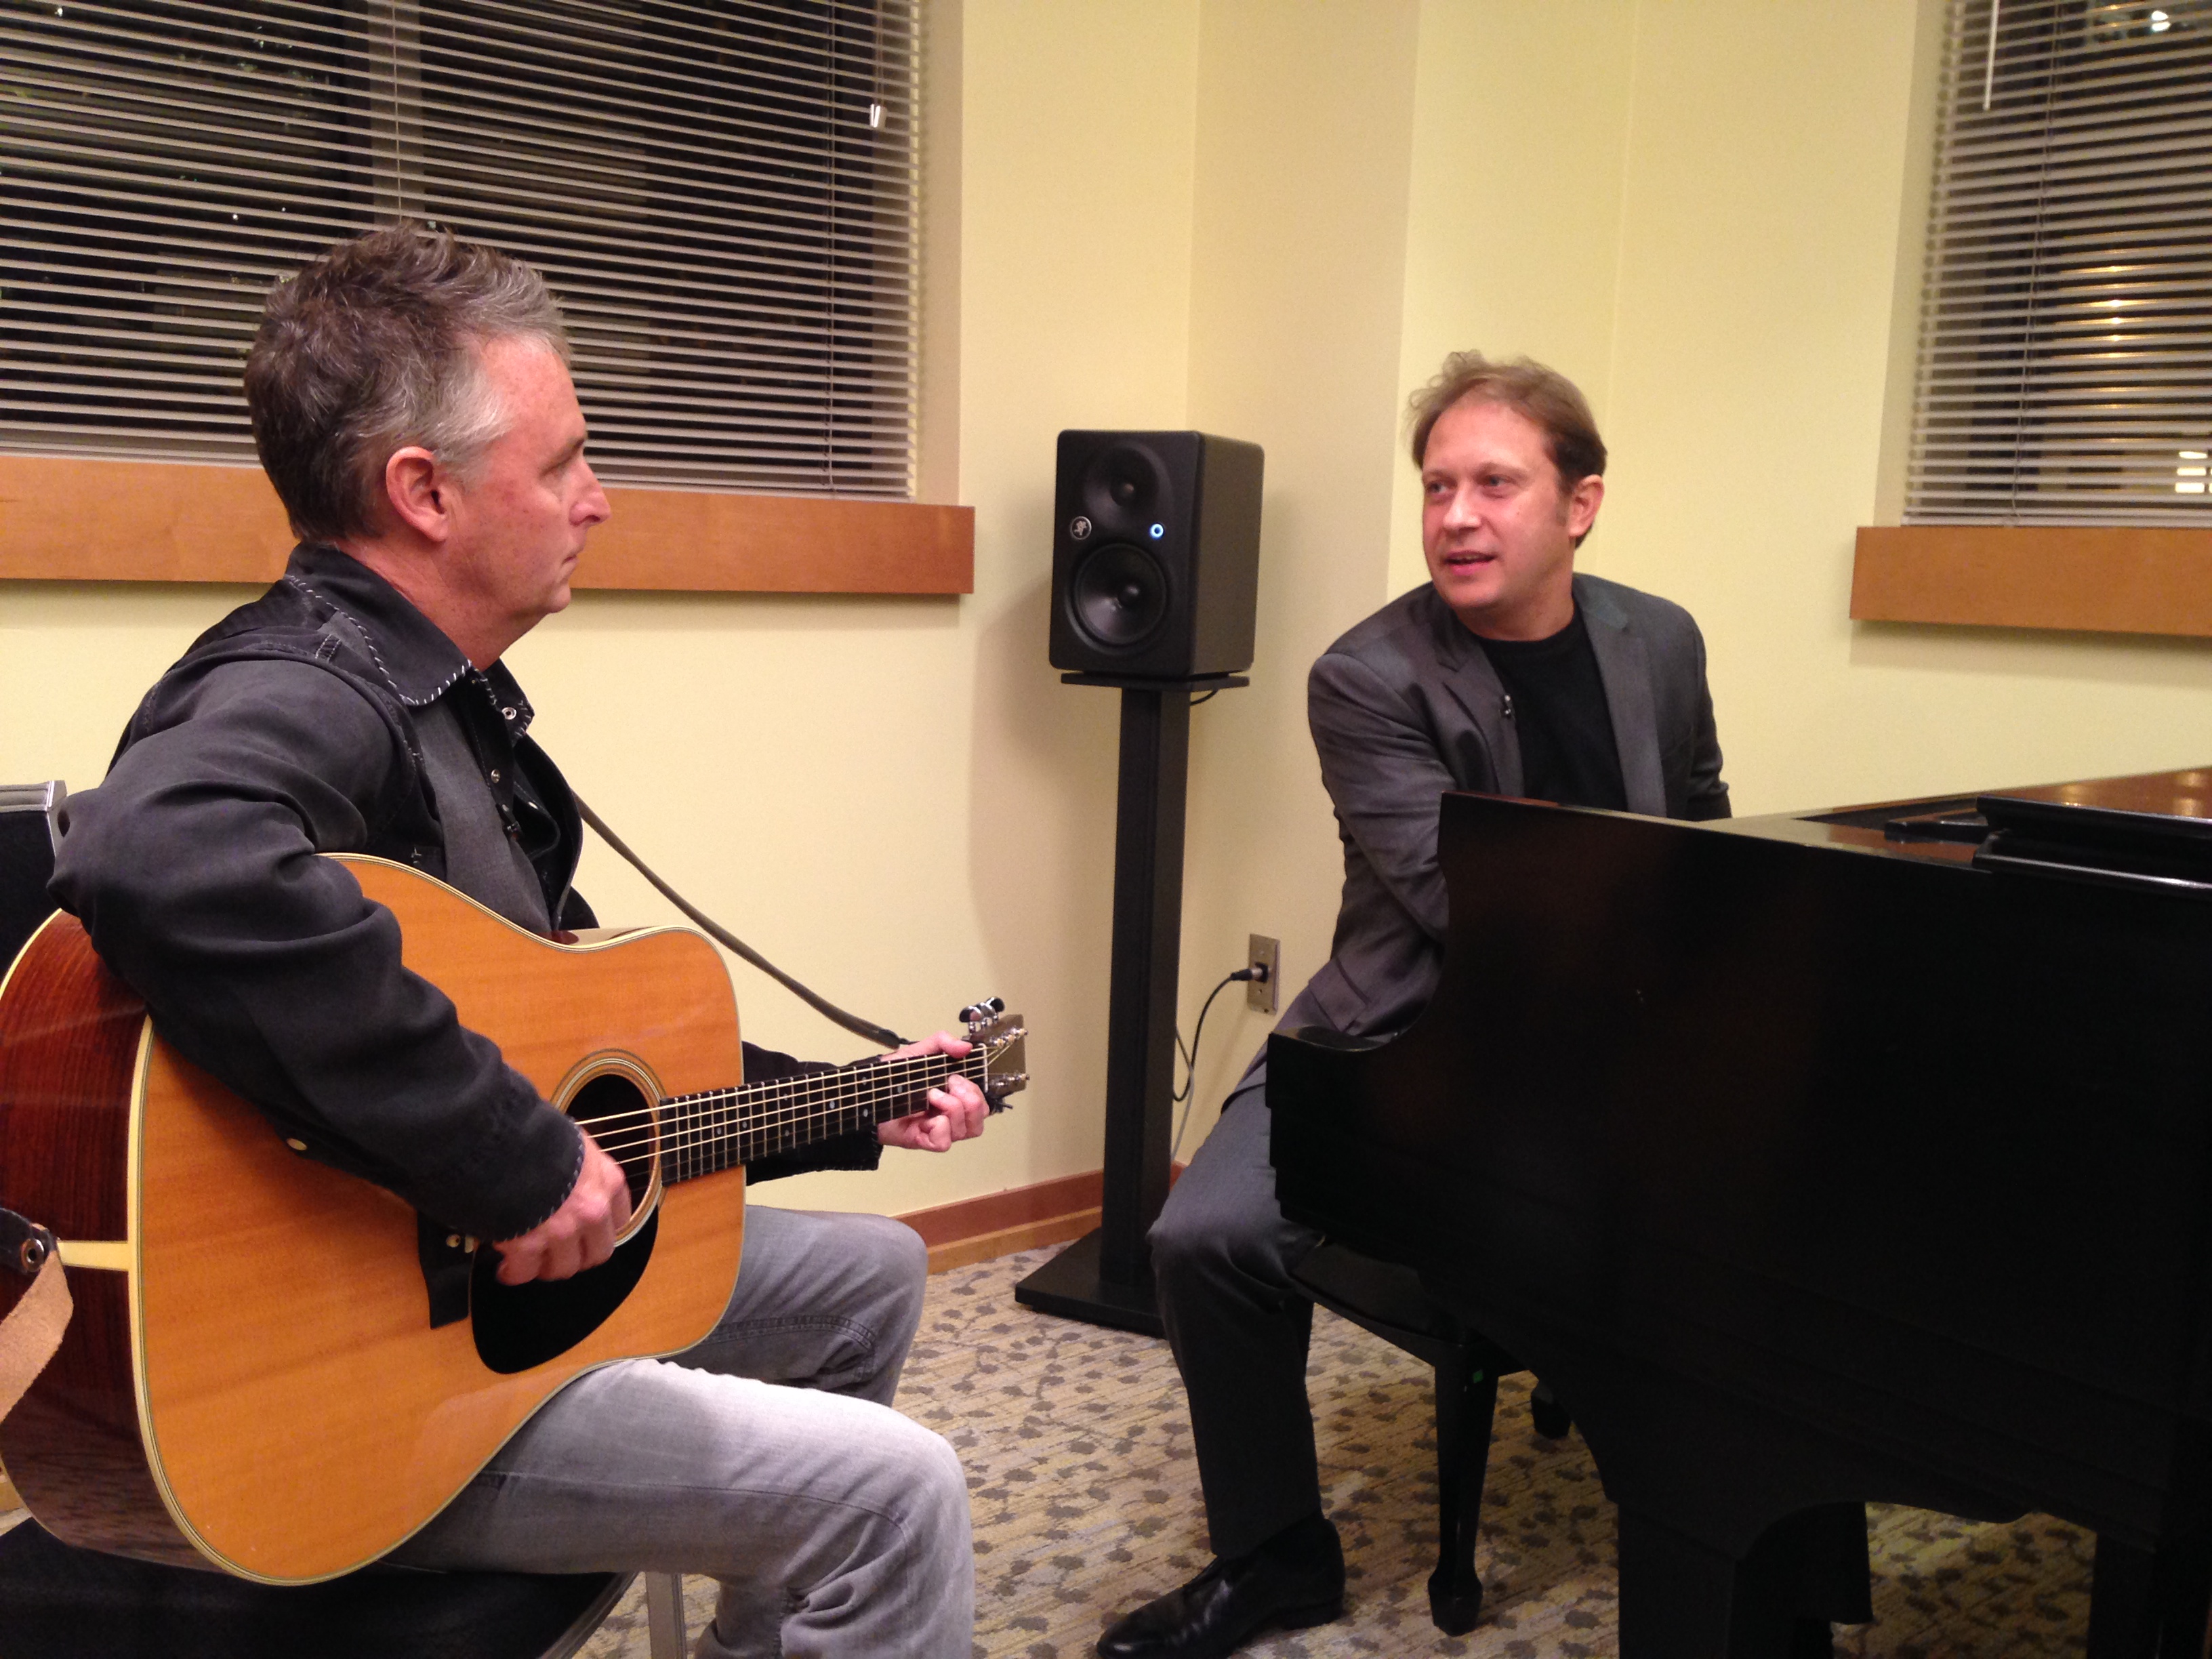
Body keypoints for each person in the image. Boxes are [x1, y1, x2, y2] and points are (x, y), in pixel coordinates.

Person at [49, 226, 986, 1658]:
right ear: (422, 492)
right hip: (350, 1387)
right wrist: (509, 1159)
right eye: (561, 466)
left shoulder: (446, 706)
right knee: (897, 1495)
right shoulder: (314, 687)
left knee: (871, 1278)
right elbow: (159, 848)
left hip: (468, 1289)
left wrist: (855, 1097)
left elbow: (563, 1055)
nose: (596, 502)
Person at [1097, 352, 1732, 1659]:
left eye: (1495, 484)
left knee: (1794, 1202)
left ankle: (1756, 1559)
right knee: (1206, 1236)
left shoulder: (1659, 640)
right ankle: (1277, 1556)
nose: (1456, 516)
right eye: (1438, 487)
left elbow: (1707, 820)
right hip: (1408, 1029)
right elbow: (1461, 901)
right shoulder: (1367, 674)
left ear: (1581, 504)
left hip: (1620, 1029)